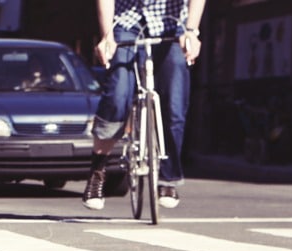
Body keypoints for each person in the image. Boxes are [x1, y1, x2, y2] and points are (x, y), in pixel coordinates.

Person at [82, 0, 206, 211]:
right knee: (117, 94)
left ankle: (168, 180)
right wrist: (106, 37)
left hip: (173, 24)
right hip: (126, 24)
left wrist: (191, 32)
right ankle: (98, 170)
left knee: (174, 104)